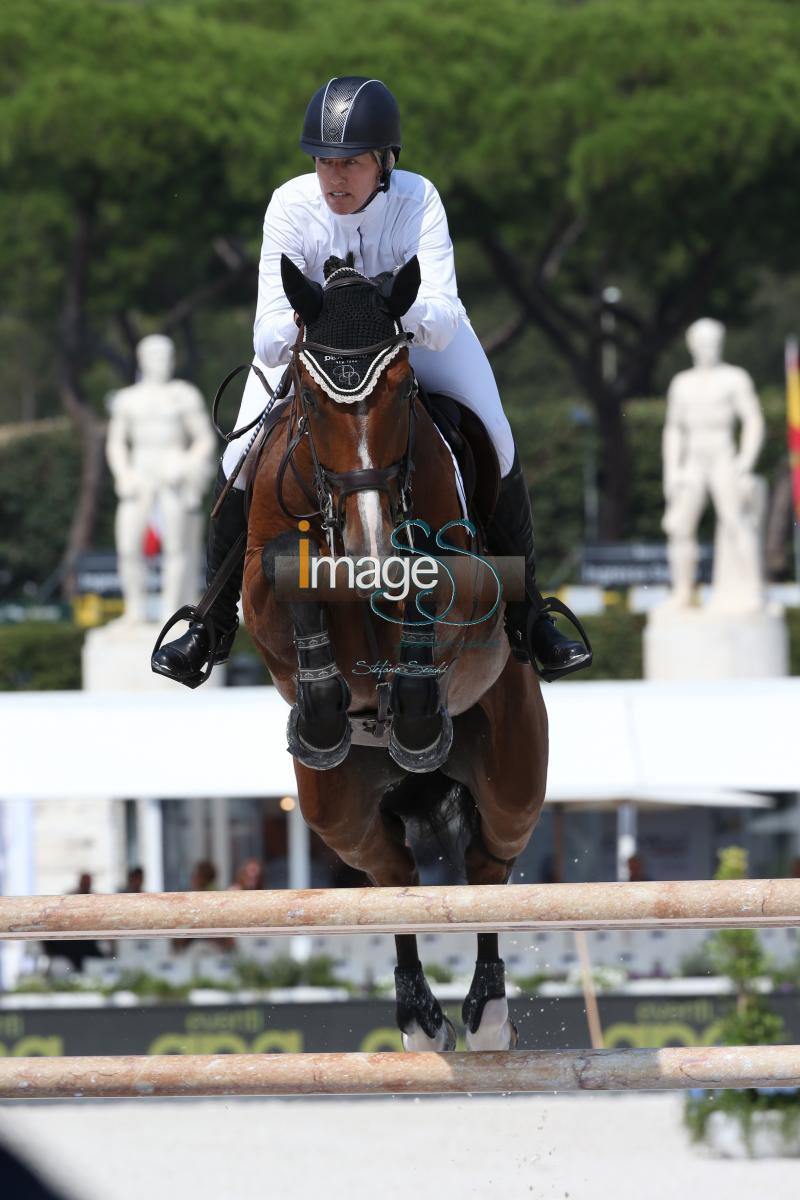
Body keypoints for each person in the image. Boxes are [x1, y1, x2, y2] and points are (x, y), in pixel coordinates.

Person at [152, 76, 591, 686]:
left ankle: (531, 613)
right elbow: (268, 333)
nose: (334, 178)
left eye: (351, 163)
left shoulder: (419, 200)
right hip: (319, 349)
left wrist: (381, 308)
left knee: (495, 435)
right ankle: (211, 622)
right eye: (325, 162)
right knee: (238, 458)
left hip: (413, 341)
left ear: (384, 162)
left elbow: (437, 319)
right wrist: (322, 319)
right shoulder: (289, 205)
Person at [107, 334, 216, 624]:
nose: (162, 362)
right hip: (139, 473)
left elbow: (204, 438)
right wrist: (123, 474)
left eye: (167, 355)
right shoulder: (127, 399)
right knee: (128, 546)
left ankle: (172, 609)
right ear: (143, 360)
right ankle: (135, 610)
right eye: (155, 356)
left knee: (178, 548)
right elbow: (116, 442)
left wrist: (187, 464)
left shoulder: (184, 394)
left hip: (173, 471)